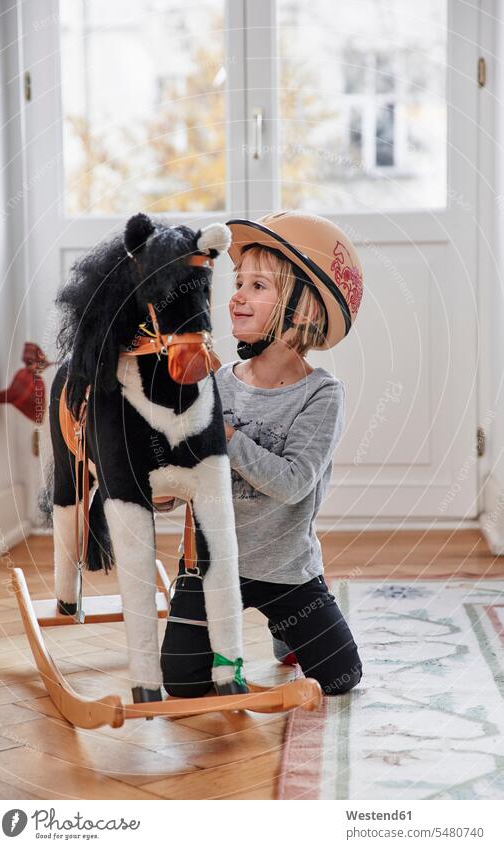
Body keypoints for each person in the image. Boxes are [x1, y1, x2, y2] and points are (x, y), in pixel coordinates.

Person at [158, 210, 364, 697]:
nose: (237, 296)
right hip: (210, 566)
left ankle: (285, 628)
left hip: (286, 570)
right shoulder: (212, 383)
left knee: (340, 678)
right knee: (182, 684)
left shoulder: (322, 395)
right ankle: (265, 627)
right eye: (238, 282)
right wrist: (162, 489)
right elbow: (186, 472)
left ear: (304, 311)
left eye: (258, 286)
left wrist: (223, 436)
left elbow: (293, 483)